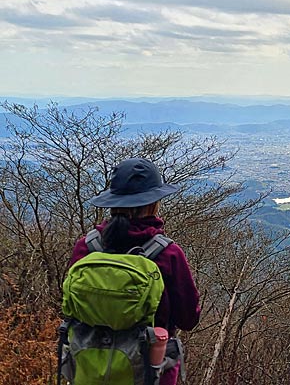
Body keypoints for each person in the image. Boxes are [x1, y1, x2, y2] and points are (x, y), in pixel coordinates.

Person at [69, 157, 201, 385]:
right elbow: (188, 318)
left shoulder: (86, 247)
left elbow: (70, 308)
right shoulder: (167, 254)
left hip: (89, 370)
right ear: (154, 203)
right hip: (151, 372)